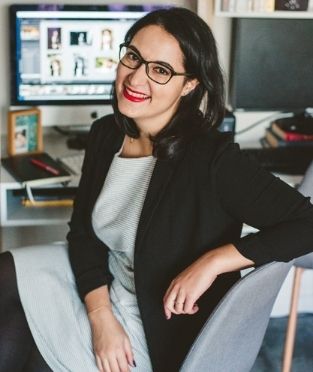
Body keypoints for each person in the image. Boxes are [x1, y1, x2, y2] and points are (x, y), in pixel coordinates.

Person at [1, 7, 313, 372]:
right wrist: (100, 317)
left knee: (31, 354)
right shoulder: (107, 134)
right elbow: (83, 233)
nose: (135, 78)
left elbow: (307, 225)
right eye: (133, 56)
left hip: (153, 314)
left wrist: (214, 261)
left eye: (160, 70)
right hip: (109, 277)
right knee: (5, 277)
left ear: (190, 84)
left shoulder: (213, 160)